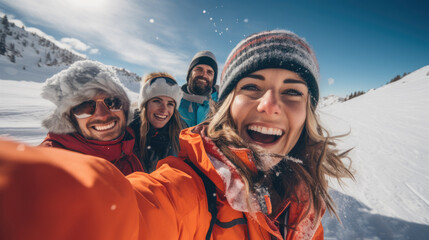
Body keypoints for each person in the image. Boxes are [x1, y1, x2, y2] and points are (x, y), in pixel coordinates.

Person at [0, 30, 353, 240]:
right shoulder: (197, 182)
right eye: (251, 87)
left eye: (293, 91)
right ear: (228, 104)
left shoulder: (303, 192)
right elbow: (133, 209)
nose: (270, 104)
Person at [39, 60, 144, 175]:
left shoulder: (128, 151)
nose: (103, 115)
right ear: (69, 118)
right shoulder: (48, 164)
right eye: (84, 107)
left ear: (124, 108)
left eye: (113, 102)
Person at [129, 72, 183, 173]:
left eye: (170, 104)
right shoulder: (126, 135)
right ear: (145, 104)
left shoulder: (179, 135)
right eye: (157, 101)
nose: (164, 110)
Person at [179, 50, 219, 127]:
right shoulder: (173, 102)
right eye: (199, 69)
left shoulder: (223, 104)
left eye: (209, 72)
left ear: (214, 78)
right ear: (190, 73)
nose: (204, 75)